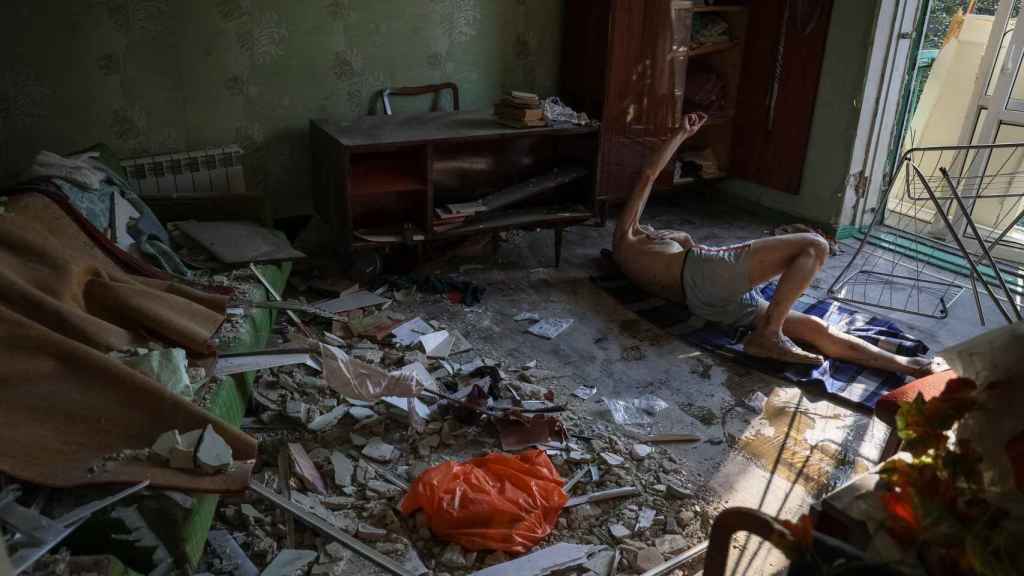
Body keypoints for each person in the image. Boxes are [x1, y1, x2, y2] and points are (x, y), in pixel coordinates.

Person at [612, 112, 941, 377]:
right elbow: (648, 176)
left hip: (713, 303)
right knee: (814, 245)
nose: (653, 227)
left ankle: (905, 366)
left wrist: (683, 238)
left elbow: (674, 267)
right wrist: (681, 134)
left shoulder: (642, 253)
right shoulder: (625, 238)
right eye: (648, 225)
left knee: (814, 327)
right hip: (706, 277)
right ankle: (768, 336)